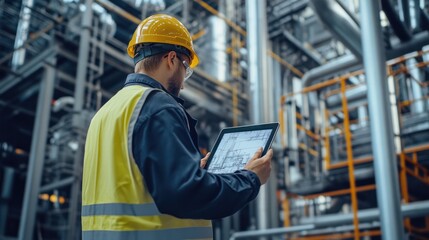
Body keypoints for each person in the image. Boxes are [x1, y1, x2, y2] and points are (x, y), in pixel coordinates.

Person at [81, 14, 273, 240]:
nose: (184, 81)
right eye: (186, 69)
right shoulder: (157, 105)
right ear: (171, 59)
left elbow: (133, 182)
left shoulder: (106, 112)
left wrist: (188, 167)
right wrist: (250, 178)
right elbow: (186, 195)